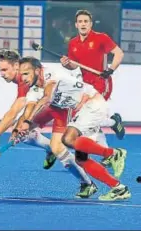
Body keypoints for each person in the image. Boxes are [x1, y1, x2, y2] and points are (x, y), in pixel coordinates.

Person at [17, 57, 131, 201]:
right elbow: (34, 109)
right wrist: (22, 129)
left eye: (26, 73)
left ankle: (113, 153)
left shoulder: (50, 74)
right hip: (83, 110)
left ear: (37, 70)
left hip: (92, 102)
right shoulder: (34, 89)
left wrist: (28, 122)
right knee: (81, 159)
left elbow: (46, 98)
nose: (23, 78)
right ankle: (119, 188)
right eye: (21, 74)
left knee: (68, 138)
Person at [60, 9, 125, 152]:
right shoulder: (73, 43)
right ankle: (113, 126)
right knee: (91, 119)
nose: (83, 24)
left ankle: (108, 144)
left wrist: (110, 70)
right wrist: (67, 64)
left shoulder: (101, 38)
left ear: (91, 24)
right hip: (86, 85)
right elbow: (73, 66)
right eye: (80, 22)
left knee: (90, 116)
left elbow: (119, 53)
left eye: (86, 21)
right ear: (76, 25)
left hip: (102, 82)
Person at [0, 49, 56, 170]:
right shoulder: (23, 78)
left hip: (61, 102)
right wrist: (4, 132)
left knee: (73, 140)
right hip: (48, 104)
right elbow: (25, 108)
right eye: (0, 70)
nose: (2, 74)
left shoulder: (25, 78)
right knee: (22, 134)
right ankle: (52, 149)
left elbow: (14, 112)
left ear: (16, 66)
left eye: (5, 70)